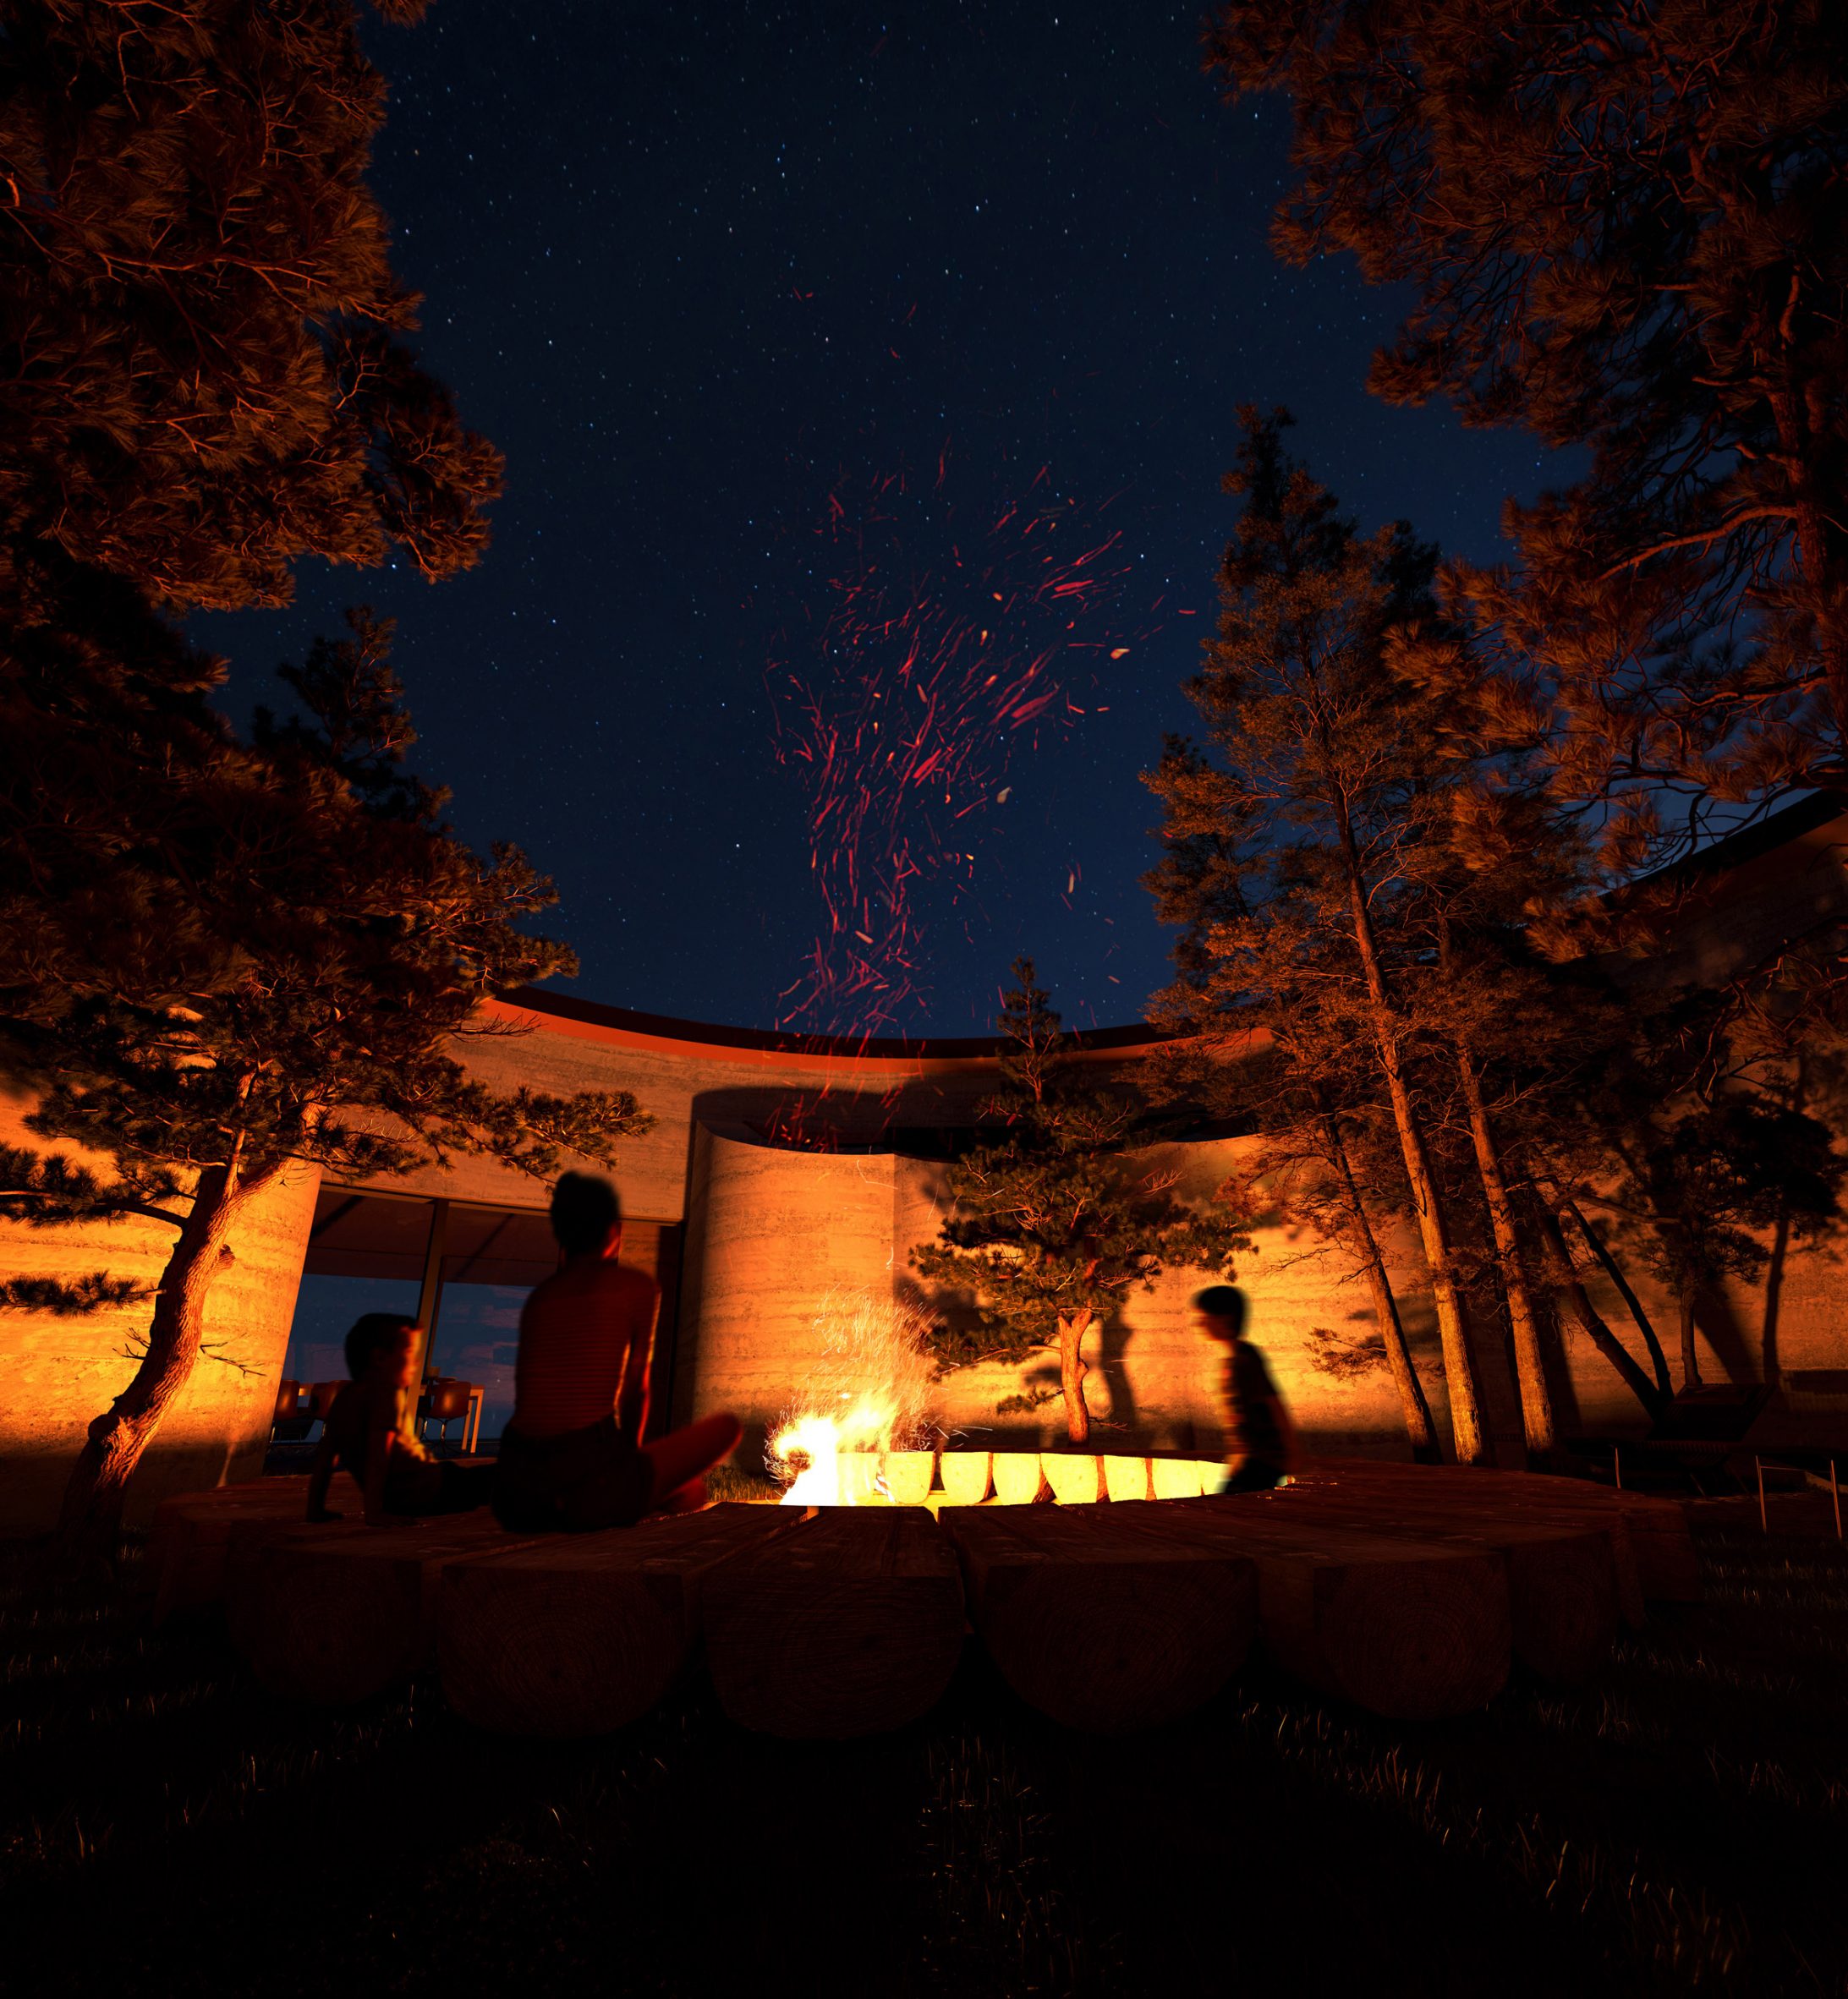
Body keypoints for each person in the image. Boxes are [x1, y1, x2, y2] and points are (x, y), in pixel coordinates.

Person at [493, 1171, 742, 1531]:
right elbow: (635, 1389)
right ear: (613, 1232)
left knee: (682, 1492)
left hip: (515, 1492)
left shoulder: (541, 1296)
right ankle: (612, 1500)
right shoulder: (632, 1286)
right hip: (582, 1472)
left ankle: (614, 1496)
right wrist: (626, 1467)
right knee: (722, 1435)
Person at [306, 1312, 495, 1525]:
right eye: (410, 1352)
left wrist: (315, 1508)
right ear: (380, 1358)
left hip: (403, 1496)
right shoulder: (386, 1394)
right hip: (426, 1488)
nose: (417, 1362)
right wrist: (374, 1513)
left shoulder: (345, 1398)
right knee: (503, 1477)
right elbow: (380, 1456)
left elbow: (326, 1458)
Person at [1193, 1284, 1298, 1493]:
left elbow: (1273, 1403)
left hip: (1261, 1460)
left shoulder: (1245, 1360)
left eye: (1205, 1317)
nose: (1199, 1323)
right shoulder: (1233, 1360)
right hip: (1251, 1461)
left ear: (1225, 1319)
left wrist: (1293, 1452)